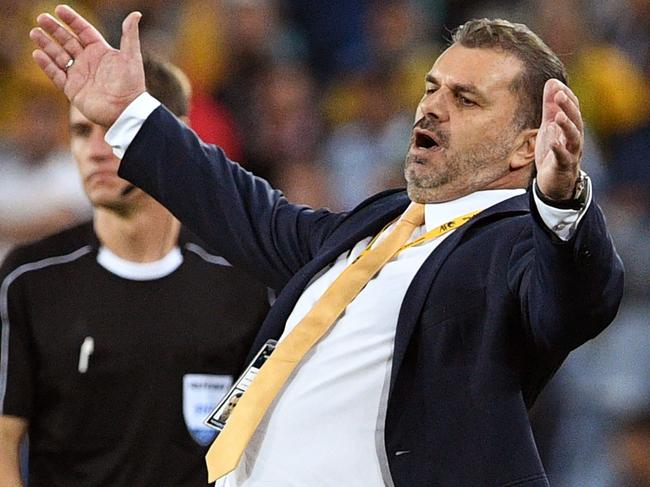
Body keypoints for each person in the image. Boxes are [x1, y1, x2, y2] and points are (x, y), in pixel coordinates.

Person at [29, 6, 624, 487]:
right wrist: (131, 116)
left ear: (528, 147)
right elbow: (249, 213)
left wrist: (563, 202)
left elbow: (576, 298)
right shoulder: (382, 223)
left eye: (466, 99)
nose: (431, 107)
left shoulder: (515, 247)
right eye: (432, 87)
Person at [0, 55, 271, 486]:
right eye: (80, 131)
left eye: (113, 128)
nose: (93, 151)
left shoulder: (244, 283)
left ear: (175, 136)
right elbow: (3, 441)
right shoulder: (30, 280)